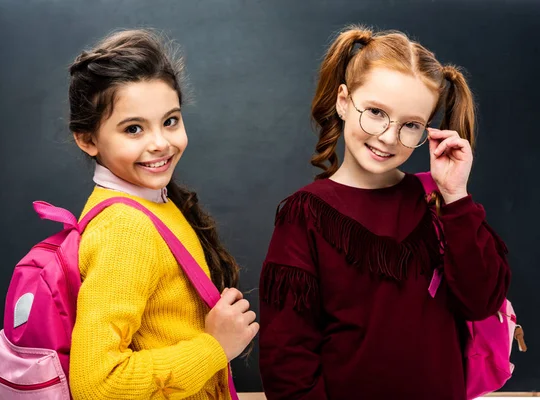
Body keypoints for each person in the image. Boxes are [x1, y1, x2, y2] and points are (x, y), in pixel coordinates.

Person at [259, 26, 510, 400]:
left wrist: (456, 195)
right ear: (344, 101)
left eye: (411, 125)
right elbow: (287, 356)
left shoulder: (441, 203)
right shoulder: (305, 214)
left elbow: (481, 302)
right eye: (376, 112)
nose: (389, 137)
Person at [67, 29, 259, 399]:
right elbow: (97, 385)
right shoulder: (126, 229)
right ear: (87, 139)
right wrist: (214, 347)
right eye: (134, 128)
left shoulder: (153, 203)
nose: (160, 143)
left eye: (170, 121)